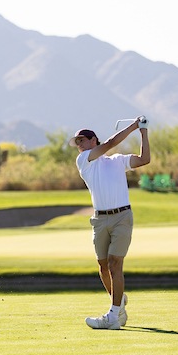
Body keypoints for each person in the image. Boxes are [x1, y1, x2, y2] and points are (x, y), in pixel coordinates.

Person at [69, 116, 150, 330]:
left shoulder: (117, 161)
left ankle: (113, 316)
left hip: (122, 217)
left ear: (93, 140)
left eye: (83, 140)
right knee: (103, 266)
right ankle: (119, 302)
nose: (80, 145)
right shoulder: (83, 161)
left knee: (115, 263)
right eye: (77, 143)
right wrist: (133, 126)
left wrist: (143, 132)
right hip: (99, 219)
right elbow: (110, 144)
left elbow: (144, 159)